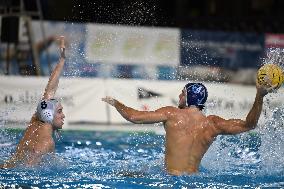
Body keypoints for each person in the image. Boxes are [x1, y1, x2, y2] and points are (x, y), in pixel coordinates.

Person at [102, 81, 277, 175]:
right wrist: (259, 95)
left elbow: (134, 117)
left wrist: (116, 103)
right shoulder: (213, 124)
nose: (179, 96)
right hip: (195, 181)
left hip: (170, 180)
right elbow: (249, 124)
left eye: (183, 93)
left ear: (190, 97)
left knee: (125, 175)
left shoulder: (172, 114)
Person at [0, 36, 66, 168]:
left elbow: (50, 90)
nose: (63, 115)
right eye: (59, 111)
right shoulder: (47, 142)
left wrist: (62, 60)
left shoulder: (35, 121)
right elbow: (28, 171)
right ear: (49, 115)